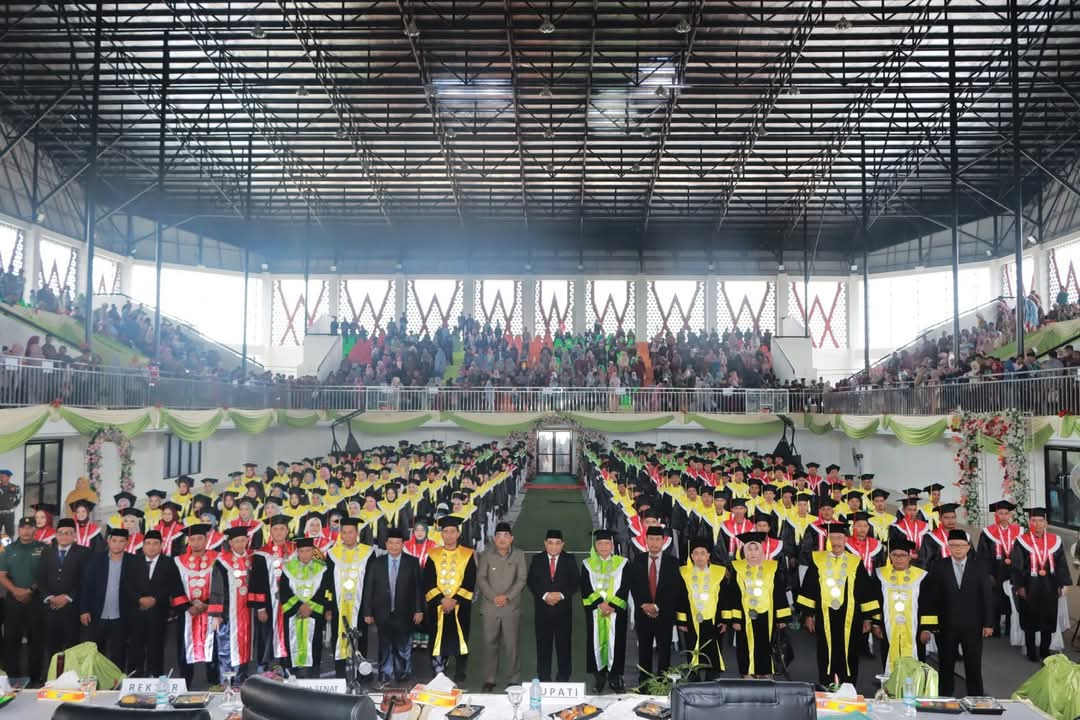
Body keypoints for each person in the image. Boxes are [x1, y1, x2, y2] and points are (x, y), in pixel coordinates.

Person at [796, 522, 878, 685]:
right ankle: (826, 682)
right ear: (828, 539)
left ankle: (848, 685)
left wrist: (868, 618)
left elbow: (865, 590)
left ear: (846, 540)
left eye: (840, 537)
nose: (836, 542)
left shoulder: (855, 562)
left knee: (850, 651)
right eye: (833, 537)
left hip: (850, 616)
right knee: (825, 650)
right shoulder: (817, 559)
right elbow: (809, 588)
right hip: (825, 614)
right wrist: (808, 615)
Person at [930, 529, 994, 696]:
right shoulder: (938, 566)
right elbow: (932, 598)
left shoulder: (979, 566)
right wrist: (932, 624)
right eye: (953, 545)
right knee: (945, 666)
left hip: (972, 626)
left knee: (973, 665)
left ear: (968, 547)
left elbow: (987, 596)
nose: (957, 549)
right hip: (945, 626)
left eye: (961, 545)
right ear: (948, 547)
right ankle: (944, 699)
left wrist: (988, 624)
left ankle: (976, 700)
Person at [722, 531, 791, 677]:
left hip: (768, 613)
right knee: (744, 646)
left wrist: (782, 618)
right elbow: (733, 595)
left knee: (764, 644)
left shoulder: (772, 568)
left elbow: (778, 592)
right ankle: (747, 673)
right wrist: (734, 619)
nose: (753, 553)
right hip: (745, 615)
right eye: (749, 549)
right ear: (744, 551)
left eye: (756, 549)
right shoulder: (737, 568)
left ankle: (765, 673)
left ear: (761, 550)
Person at [361, 527, 424, 683]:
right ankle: (386, 673)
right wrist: (367, 611)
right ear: (386, 544)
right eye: (391, 543)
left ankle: (404, 672)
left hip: (405, 611)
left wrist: (419, 610)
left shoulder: (412, 562)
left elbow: (418, 588)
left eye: (398, 543)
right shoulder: (377, 563)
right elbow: (369, 587)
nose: (394, 546)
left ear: (403, 544)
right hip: (383, 611)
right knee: (384, 644)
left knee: (404, 645)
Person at [1010, 507, 1071, 661]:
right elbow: (1017, 566)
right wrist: (1020, 587)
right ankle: (1031, 652)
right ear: (1030, 522)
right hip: (1030, 586)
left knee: (1048, 620)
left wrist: (1063, 584)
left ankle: (1044, 651)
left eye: (1040, 521)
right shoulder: (1022, 542)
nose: (1037, 524)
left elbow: (1061, 564)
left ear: (1046, 523)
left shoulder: (1055, 541)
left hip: (1050, 587)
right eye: (1034, 521)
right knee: (1029, 620)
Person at [627, 526, 686, 682]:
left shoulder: (673, 563)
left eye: (657, 539)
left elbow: (674, 589)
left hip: (664, 614)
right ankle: (644, 682)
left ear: (663, 541)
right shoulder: (638, 560)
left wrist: (657, 606)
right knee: (644, 650)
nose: (654, 543)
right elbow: (633, 586)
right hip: (643, 613)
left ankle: (662, 681)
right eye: (651, 539)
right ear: (646, 540)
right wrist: (643, 605)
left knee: (664, 650)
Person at [475, 521, 528, 691]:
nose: (502, 539)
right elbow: (481, 578)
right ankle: (489, 679)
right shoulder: (486, 555)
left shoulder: (519, 555)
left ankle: (513, 679)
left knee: (511, 645)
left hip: (510, 607)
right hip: (490, 607)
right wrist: (493, 597)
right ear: (494, 538)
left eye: (506, 536)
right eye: (499, 536)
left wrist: (507, 597)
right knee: (489, 643)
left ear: (512, 538)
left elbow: (521, 579)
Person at [123, 528, 183, 677]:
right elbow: (126, 584)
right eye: (148, 543)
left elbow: (172, 586)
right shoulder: (133, 562)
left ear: (161, 546)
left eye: (155, 543)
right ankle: (134, 678)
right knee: (135, 647)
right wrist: (139, 599)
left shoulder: (168, 563)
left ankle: (154, 678)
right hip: (136, 612)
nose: (151, 547)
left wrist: (155, 599)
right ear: (143, 546)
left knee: (156, 648)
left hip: (158, 613)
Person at [423, 516, 477, 682]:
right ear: (441, 534)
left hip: (459, 606)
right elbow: (428, 580)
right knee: (437, 637)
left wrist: (454, 601)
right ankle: (438, 668)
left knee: (460, 636)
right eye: (445, 531)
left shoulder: (468, 554)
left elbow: (470, 581)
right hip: (438, 606)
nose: (448, 535)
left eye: (452, 531)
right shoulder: (433, 554)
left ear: (458, 533)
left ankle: (460, 671)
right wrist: (442, 600)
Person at [209, 526, 266, 681]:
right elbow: (216, 588)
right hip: (229, 612)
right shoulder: (222, 561)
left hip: (248, 611)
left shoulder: (254, 558)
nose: (240, 544)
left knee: (246, 644)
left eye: (243, 540)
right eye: (236, 541)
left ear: (247, 540)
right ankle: (226, 682)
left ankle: (241, 680)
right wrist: (216, 615)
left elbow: (260, 584)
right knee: (227, 647)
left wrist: (260, 607)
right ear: (231, 543)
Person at [870, 538, 936, 672]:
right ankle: (890, 689)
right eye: (895, 555)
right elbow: (876, 601)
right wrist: (876, 624)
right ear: (890, 556)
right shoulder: (880, 575)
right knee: (888, 655)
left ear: (909, 557)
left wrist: (926, 629)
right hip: (888, 627)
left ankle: (915, 690)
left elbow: (928, 604)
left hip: (915, 629)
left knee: (916, 662)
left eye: (903, 555)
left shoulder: (921, 577)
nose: (899, 559)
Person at [580, 528, 630, 693]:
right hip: (596, 612)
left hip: (616, 613)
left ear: (612, 545)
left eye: (606, 543)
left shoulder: (622, 563)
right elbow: (585, 587)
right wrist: (600, 604)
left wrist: (612, 606)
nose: (603, 547)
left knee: (617, 643)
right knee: (594, 642)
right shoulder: (588, 564)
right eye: (600, 543)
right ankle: (599, 677)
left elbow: (625, 587)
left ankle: (616, 677)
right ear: (595, 545)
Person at [527, 528, 579, 682]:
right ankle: (544, 677)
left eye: (557, 543)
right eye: (550, 543)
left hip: (563, 612)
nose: (554, 546)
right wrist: (545, 595)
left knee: (564, 645)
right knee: (543, 646)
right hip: (543, 612)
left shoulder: (569, 559)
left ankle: (563, 676)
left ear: (562, 544)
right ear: (545, 543)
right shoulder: (537, 559)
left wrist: (560, 595)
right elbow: (532, 582)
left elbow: (575, 582)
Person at [326, 516, 375, 677]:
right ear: (340, 534)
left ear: (357, 533)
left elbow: (370, 582)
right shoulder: (332, 554)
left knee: (361, 637)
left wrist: (369, 610)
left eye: (351, 532)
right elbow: (327, 583)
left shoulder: (368, 553)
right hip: (337, 606)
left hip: (360, 605)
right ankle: (340, 674)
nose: (347, 536)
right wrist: (328, 606)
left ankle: (362, 673)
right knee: (338, 636)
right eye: (344, 532)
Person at [38, 518, 91, 665]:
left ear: (74, 535)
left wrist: (68, 597)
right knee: (51, 647)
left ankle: (71, 679)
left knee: (72, 646)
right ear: (56, 534)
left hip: (72, 609)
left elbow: (85, 580)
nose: (64, 536)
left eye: (68, 533)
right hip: (50, 608)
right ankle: (51, 678)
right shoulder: (46, 552)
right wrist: (49, 597)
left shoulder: (84, 552)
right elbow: (41, 579)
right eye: (61, 533)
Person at [0, 516, 47, 683]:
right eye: (23, 528)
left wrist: (30, 591)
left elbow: (46, 574)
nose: (26, 531)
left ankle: (35, 678)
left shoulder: (44, 548)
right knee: (11, 639)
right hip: (13, 600)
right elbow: (2, 575)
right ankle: (13, 677)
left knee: (37, 639)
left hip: (36, 599)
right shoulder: (8, 549)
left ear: (35, 529)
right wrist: (15, 591)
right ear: (18, 530)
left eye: (30, 528)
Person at [279, 537, 335, 677]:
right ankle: (293, 676)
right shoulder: (288, 569)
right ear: (297, 552)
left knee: (314, 644)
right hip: (294, 614)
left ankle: (313, 675)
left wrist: (310, 606)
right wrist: (299, 606)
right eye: (301, 551)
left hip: (314, 615)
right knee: (292, 643)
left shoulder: (322, 569)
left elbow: (326, 591)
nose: (305, 554)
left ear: (313, 551)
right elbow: (284, 592)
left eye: (308, 551)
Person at [79, 527, 133, 667]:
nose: (117, 544)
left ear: (127, 543)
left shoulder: (133, 561)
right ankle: (96, 684)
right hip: (97, 614)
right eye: (114, 540)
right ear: (108, 541)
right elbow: (86, 586)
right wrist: (84, 610)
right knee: (96, 652)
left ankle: (117, 685)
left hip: (121, 616)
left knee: (119, 653)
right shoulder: (96, 559)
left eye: (121, 541)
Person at [174, 523, 220, 686]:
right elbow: (175, 588)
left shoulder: (217, 558)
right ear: (188, 541)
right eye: (192, 539)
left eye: (200, 538)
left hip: (211, 611)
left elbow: (221, 586)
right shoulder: (178, 561)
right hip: (187, 612)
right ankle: (185, 684)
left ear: (206, 539)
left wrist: (208, 605)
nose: (196, 542)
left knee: (214, 649)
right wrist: (188, 606)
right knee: (185, 649)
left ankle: (214, 682)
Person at [676, 537, 727, 680]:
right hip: (692, 619)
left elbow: (724, 598)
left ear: (708, 555)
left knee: (713, 649)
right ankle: (693, 677)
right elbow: (680, 598)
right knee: (692, 648)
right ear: (691, 556)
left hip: (713, 619)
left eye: (703, 553)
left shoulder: (719, 573)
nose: (699, 557)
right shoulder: (683, 572)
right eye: (696, 553)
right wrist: (682, 621)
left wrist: (724, 620)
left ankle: (712, 677)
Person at [254, 515, 295, 669]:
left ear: (287, 530)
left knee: (290, 631)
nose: (279, 532)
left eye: (282, 529)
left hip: (291, 602)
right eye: (275, 529)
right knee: (267, 633)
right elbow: (256, 582)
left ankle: (288, 665)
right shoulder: (261, 553)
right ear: (270, 531)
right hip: (268, 603)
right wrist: (260, 608)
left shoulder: (296, 550)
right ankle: (265, 665)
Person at [978, 500, 1021, 637]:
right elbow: (982, 555)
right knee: (994, 600)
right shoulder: (988, 533)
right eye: (1000, 513)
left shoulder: (1018, 531)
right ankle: (994, 628)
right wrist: (988, 574)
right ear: (996, 515)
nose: (1003, 516)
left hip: (1012, 571)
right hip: (995, 572)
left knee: (1011, 600)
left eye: (1006, 513)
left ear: (1010, 515)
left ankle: (1010, 627)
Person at [0, 469, 21, 538]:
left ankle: (8, 548)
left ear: (8, 477)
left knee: (9, 533)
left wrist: (12, 506)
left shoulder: (15, 487)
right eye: (0, 476)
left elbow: (18, 498)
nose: (1, 478)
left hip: (9, 515)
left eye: (3, 476)